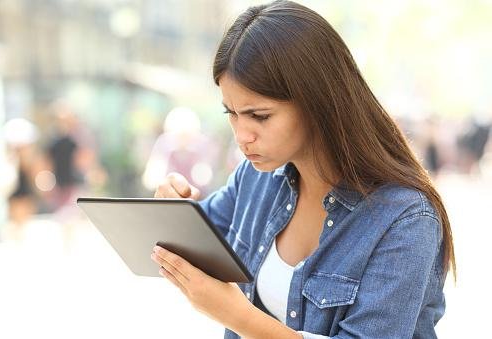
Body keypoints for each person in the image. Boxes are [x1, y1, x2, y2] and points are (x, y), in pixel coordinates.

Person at [151, 1, 455, 338]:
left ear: (317, 101)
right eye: (231, 114)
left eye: (260, 116)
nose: (242, 136)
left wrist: (238, 316)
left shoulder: (404, 218)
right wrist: (171, 206)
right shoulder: (255, 179)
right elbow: (183, 243)